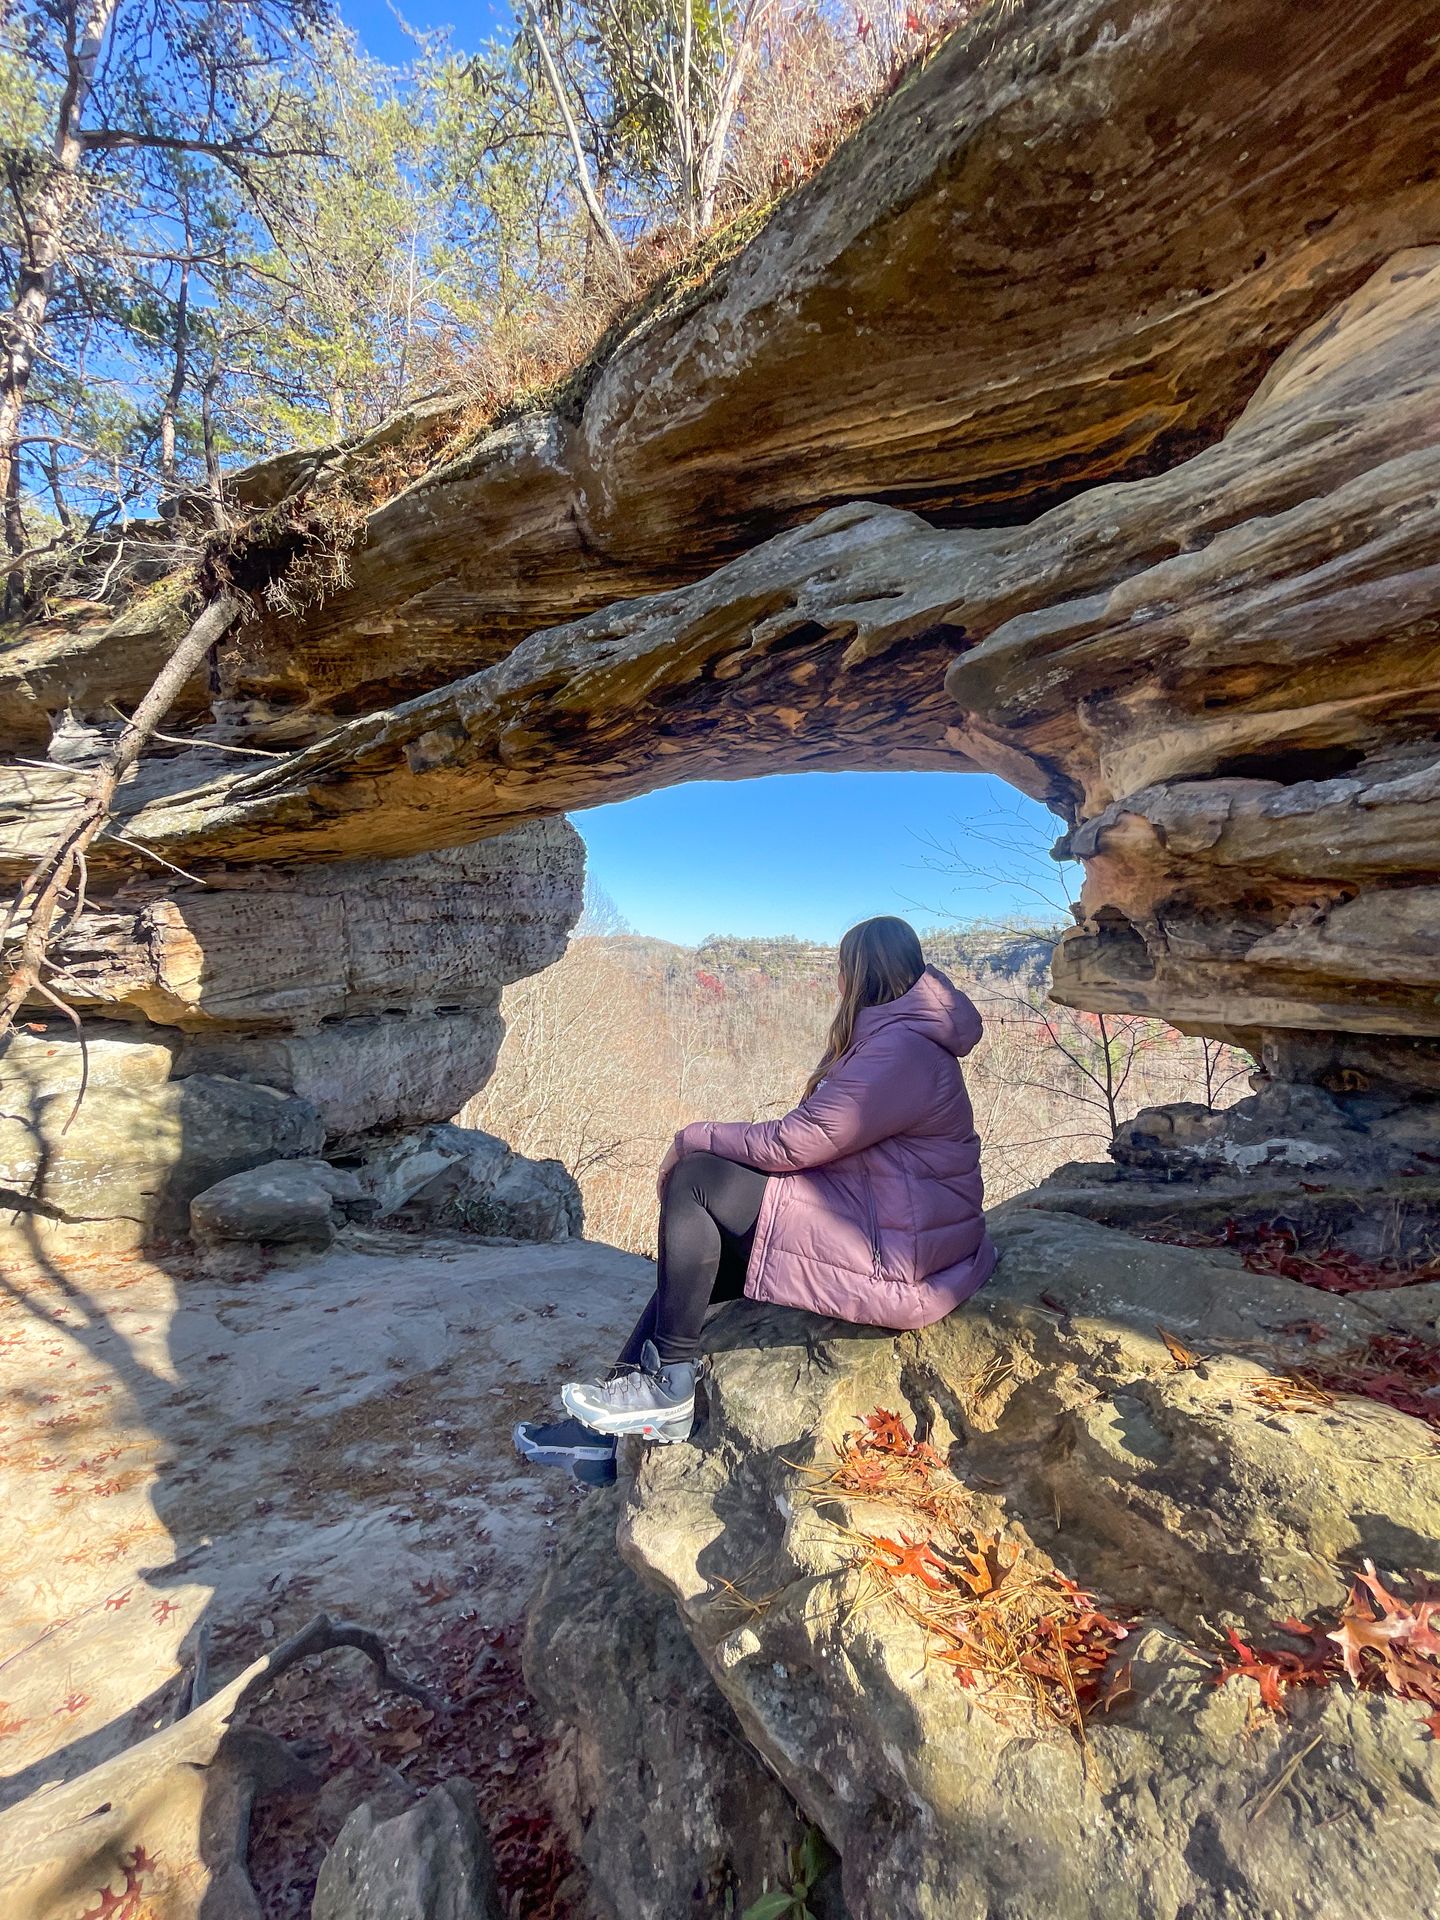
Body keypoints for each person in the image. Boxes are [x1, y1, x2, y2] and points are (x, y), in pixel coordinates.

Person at [514, 916, 996, 1482]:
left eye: (842, 969)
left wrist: (693, 1134)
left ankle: (667, 1389)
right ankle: (600, 1434)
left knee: (697, 1179)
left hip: (897, 1252)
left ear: (857, 972)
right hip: (890, 1224)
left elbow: (797, 1140)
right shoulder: (906, 1037)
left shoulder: (900, 1050)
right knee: (689, 1275)